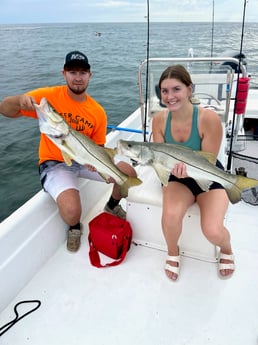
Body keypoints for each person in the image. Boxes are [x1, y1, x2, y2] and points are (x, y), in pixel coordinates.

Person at [0, 50, 137, 252]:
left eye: (83, 72)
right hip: (55, 163)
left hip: (84, 159)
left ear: (90, 75)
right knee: (72, 211)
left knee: (128, 173)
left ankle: (111, 205)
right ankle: (74, 228)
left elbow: (97, 148)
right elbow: (5, 109)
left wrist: (100, 168)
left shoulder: (97, 111)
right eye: (73, 72)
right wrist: (20, 100)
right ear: (64, 74)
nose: (78, 77)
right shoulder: (48, 97)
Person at [152, 64, 235, 281]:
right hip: (176, 176)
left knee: (213, 231)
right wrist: (169, 172)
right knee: (170, 217)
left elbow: (207, 162)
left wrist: (188, 171)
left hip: (207, 174)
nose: (170, 96)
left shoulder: (209, 119)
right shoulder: (159, 120)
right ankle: (172, 252)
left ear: (190, 89)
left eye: (176, 89)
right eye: (164, 91)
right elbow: (159, 158)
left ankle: (226, 248)